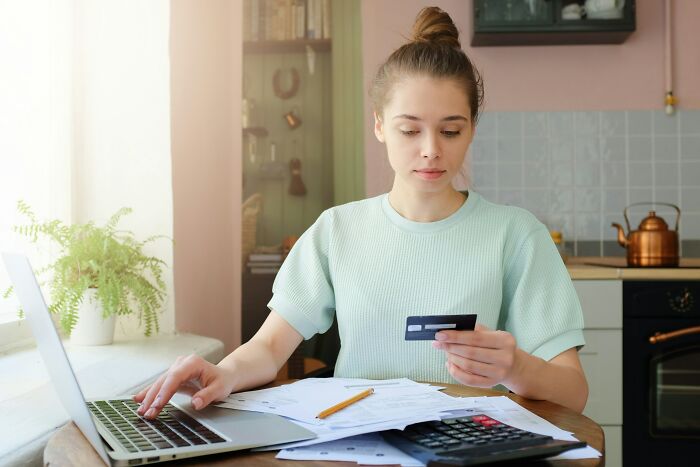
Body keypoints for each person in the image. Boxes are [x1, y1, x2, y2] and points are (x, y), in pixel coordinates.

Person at [134, 6, 588, 420]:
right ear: (378, 125)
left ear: (471, 128)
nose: (431, 150)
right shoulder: (337, 231)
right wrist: (223, 373)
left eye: (451, 130)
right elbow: (269, 347)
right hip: (358, 445)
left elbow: (574, 391)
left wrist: (516, 367)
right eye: (409, 129)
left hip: (469, 447)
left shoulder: (515, 235)